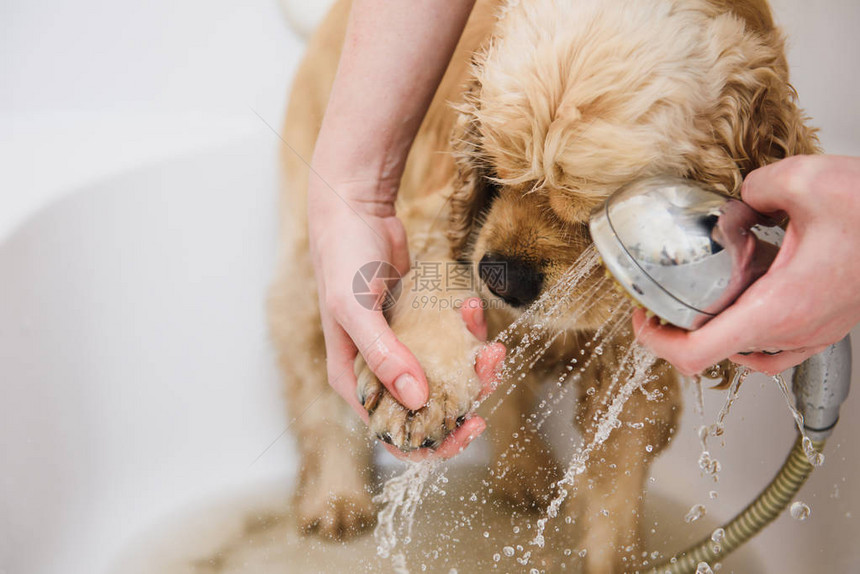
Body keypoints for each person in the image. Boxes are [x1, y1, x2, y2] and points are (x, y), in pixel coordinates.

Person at [308, 0, 860, 458]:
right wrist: (355, 190)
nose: (505, 251)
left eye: (588, 209)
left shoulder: (712, 106)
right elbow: (441, 233)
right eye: (504, 172)